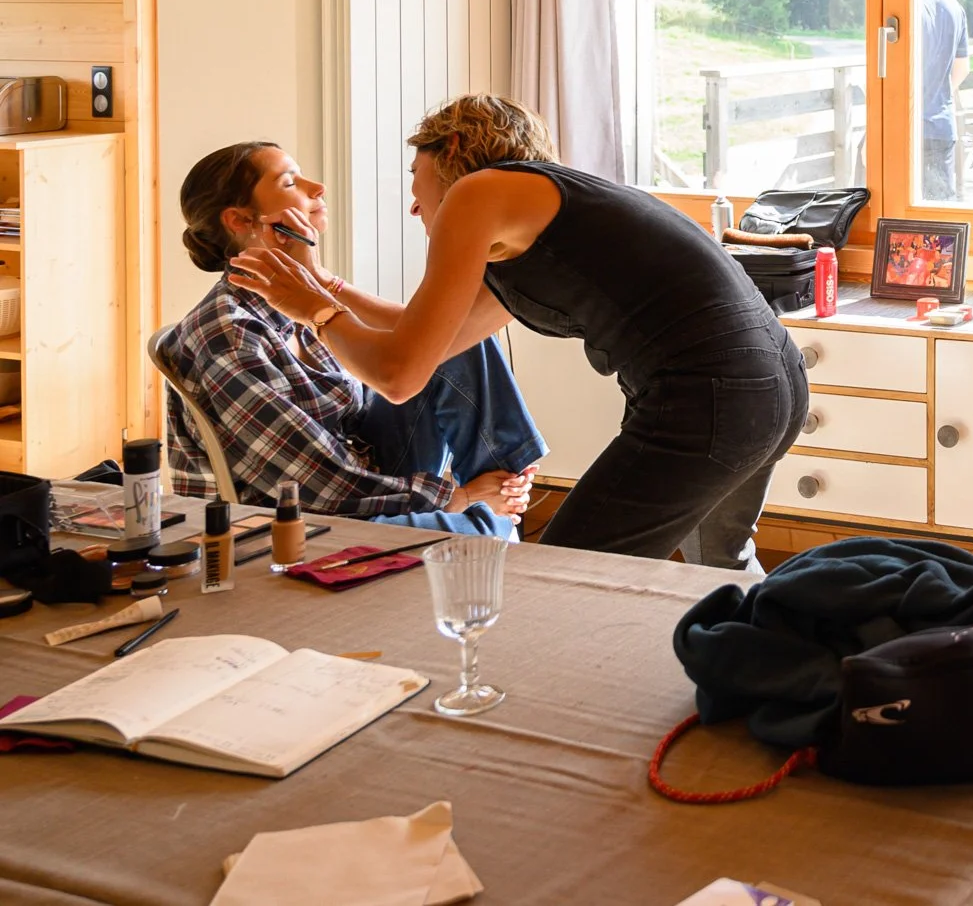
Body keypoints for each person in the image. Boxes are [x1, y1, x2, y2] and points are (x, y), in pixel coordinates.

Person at [227, 96, 810, 570]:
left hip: (712, 393)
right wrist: (323, 285)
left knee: (563, 581)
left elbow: (399, 377)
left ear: (451, 149)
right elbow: (420, 335)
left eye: (415, 178)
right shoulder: (540, 220)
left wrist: (314, 311)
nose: (414, 205)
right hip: (775, 379)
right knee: (719, 570)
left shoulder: (479, 193)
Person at [163, 143, 543, 535]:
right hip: (300, 523)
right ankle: (492, 516)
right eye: (291, 181)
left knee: (457, 339)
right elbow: (315, 483)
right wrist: (455, 497)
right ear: (241, 220)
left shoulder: (296, 301)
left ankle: (503, 496)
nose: (318, 187)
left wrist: (321, 283)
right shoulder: (228, 336)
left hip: (362, 479)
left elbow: (408, 345)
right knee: (480, 535)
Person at [918, 0, 971, 200]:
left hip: (901, 130)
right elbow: (962, 68)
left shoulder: (900, 6)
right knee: (938, 213)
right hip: (940, 125)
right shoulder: (951, 6)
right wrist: (936, 95)